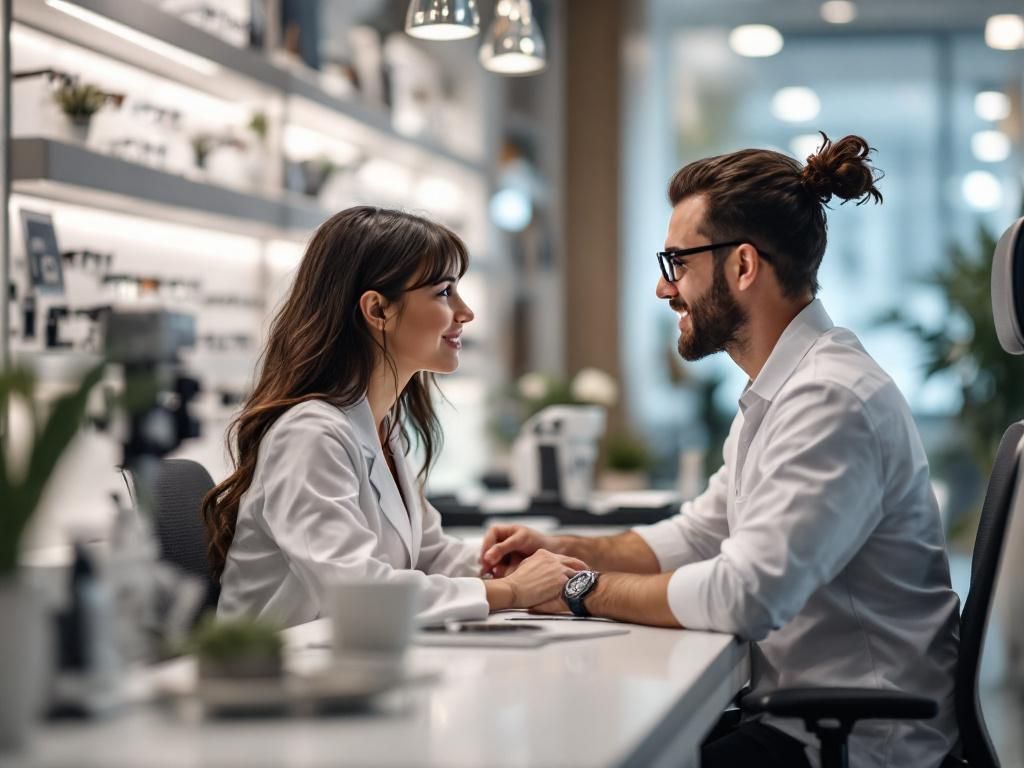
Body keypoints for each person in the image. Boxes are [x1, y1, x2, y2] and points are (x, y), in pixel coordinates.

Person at [478, 135, 960, 768]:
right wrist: (566, 550)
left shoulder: (830, 400)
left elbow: (745, 595)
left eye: (676, 262)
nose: (663, 288)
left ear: (743, 266)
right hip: (800, 722)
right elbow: (701, 535)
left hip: (858, 746)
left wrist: (580, 589)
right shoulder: (783, 390)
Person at [207, 206, 586, 628]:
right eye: (444, 292)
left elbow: (427, 555)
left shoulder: (381, 427)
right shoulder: (309, 434)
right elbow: (356, 593)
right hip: (284, 663)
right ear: (377, 310)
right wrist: (511, 591)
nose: (465, 312)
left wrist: (498, 563)